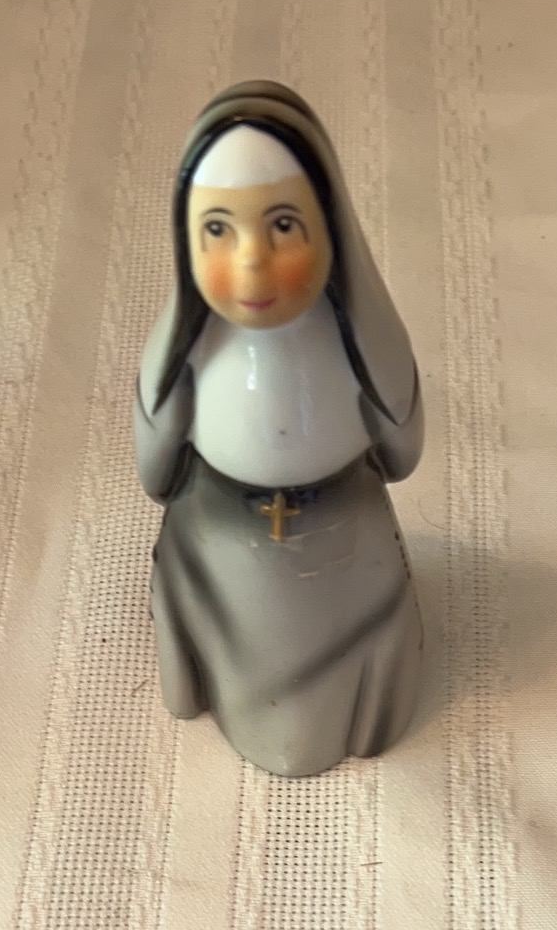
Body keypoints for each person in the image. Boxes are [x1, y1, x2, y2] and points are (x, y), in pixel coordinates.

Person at [134, 80, 424, 777]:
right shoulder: (191, 351)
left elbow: (401, 448)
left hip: (345, 538)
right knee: (232, 639)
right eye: (218, 230)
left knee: (352, 639)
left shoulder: (355, 343)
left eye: (283, 225)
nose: (252, 262)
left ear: (328, 226)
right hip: (216, 539)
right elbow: (158, 469)